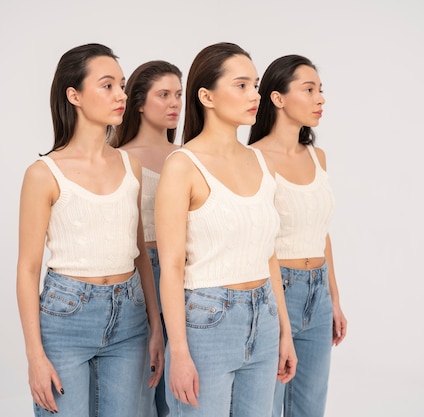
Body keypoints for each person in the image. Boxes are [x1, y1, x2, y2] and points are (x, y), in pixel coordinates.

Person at [16, 43, 164, 417]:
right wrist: (35, 356)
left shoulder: (130, 166)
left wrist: (155, 327)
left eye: (123, 85)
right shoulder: (43, 174)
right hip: (67, 318)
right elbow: (28, 269)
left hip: (129, 319)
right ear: (74, 95)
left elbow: (140, 255)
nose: (121, 95)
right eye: (107, 85)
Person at [154, 42, 297, 417]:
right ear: (206, 96)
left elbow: (269, 255)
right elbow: (170, 268)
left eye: (256, 85)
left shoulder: (260, 162)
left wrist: (284, 333)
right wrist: (179, 352)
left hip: (263, 317)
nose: (255, 95)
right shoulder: (182, 166)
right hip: (207, 324)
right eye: (242, 85)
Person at [248, 54, 348, 417]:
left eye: (320, 90)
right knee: (268, 406)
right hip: (276, 291)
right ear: (277, 98)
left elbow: (322, 234)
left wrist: (334, 299)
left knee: (310, 407)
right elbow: (259, 243)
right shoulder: (253, 160)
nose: (320, 99)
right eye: (309, 90)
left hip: (317, 293)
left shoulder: (317, 157)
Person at [111, 59, 183, 417]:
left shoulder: (187, 157)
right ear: (138, 102)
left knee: (180, 382)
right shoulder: (120, 159)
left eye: (179, 95)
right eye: (164, 95)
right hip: (141, 273)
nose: (175, 103)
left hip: (185, 272)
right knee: (143, 381)